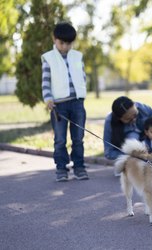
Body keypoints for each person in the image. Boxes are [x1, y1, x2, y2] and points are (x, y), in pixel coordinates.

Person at [41, 22, 89, 182]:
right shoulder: (48, 58)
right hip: (58, 105)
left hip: (77, 103)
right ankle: (61, 168)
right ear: (54, 39)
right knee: (60, 139)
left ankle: (79, 167)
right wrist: (48, 98)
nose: (65, 46)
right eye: (62, 43)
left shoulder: (77, 56)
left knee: (78, 137)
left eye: (69, 43)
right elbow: (46, 82)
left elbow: (82, 76)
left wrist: (82, 94)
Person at [103, 96, 152, 175]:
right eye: (129, 119)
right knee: (132, 138)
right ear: (119, 119)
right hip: (132, 154)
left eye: (135, 115)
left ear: (135, 106)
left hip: (149, 146)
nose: (134, 119)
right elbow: (109, 153)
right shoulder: (110, 121)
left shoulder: (142, 108)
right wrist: (131, 154)